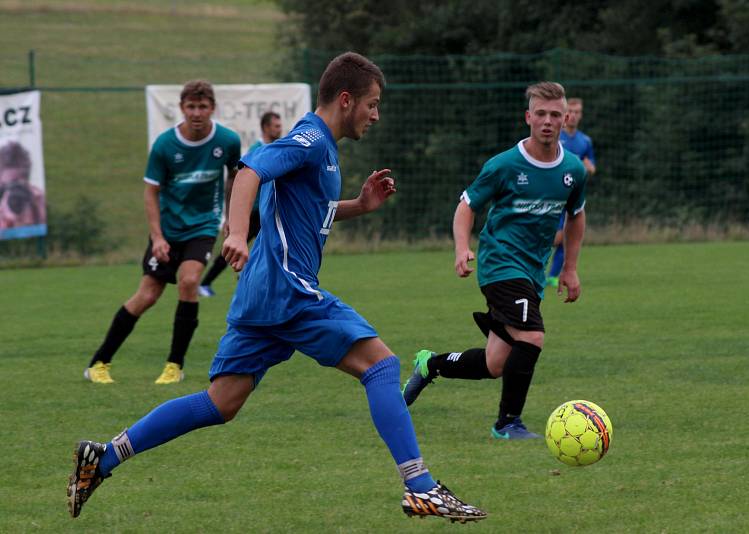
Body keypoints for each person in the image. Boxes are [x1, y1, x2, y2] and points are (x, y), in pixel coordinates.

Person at [67, 52, 486, 523]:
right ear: (346, 100)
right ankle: (421, 487)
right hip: (289, 290)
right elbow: (249, 172)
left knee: (220, 403)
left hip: (262, 297)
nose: (375, 114)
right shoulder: (309, 139)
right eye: (372, 104)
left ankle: (102, 458)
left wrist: (359, 206)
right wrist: (237, 234)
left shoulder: (322, 148)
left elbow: (306, 210)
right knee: (383, 368)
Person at [402, 82, 587, 440]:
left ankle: (430, 365)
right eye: (540, 114)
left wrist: (570, 268)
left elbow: (576, 216)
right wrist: (461, 248)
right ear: (528, 117)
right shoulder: (504, 165)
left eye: (555, 115)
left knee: (495, 363)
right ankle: (507, 423)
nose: (547, 121)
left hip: (532, 273)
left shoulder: (574, 170)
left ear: (565, 119)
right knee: (532, 336)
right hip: (500, 265)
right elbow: (466, 206)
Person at [83, 80, 241, 385]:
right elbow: (150, 193)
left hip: (203, 226)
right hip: (168, 231)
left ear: (212, 108)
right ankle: (98, 364)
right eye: (191, 107)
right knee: (147, 296)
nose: (197, 113)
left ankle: (174, 366)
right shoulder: (165, 145)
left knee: (190, 280)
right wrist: (157, 237)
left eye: (203, 106)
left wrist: (231, 219)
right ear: (182, 108)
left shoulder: (228, 141)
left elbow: (236, 179)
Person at [198, 111, 283, 297]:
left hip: (268, 209)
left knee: (272, 245)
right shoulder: (257, 150)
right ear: (266, 127)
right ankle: (205, 283)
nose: (280, 129)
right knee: (236, 244)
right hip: (254, 211)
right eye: (276, 126)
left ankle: (251, 277)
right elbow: (241, 179)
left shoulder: (277, 149)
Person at [547, 97, 595, 287]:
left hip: (572, 196)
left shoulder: (585, 141)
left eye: (578, 112)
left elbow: (591, 167)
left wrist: (586, 166)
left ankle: (552, 276)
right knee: (555, 238)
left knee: (567, 238)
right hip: (552, 195)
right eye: (571, 112)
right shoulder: (556, 137)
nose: (574, 116)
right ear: (565, 115)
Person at [0, 141, 46, 230]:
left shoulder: (36, 199)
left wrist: (37, 211)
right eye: (5, 187)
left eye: (16, 186)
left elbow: (40, 227)